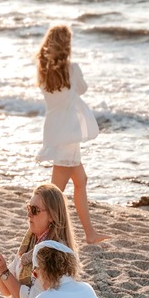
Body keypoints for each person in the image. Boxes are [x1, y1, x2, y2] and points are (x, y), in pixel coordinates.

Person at [35, 24, 106, 244]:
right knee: (55, 192)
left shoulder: (43, 70)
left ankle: (89, 233)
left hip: (56, 129)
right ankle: (40, 233)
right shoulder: (71, 69)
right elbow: (82, 88)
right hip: (68, 133)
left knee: (80, 181)